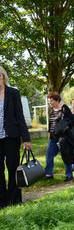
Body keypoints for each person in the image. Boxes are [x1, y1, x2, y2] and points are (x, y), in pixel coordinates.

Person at [0, 66, 31, 208]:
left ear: (3, 77)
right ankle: (2, 201)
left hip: (11, 136)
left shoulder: (13, 93)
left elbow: (19, 116)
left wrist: (26, 138)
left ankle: (14, 200)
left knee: (13, 168)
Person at [44, 92, 74, 182]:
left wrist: (66, 128)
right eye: (49, 101)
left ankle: (69, 174)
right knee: (49, 154)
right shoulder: (51, 109)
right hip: (53, 136)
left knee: (65, 154)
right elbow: (51, 122)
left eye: (51, 101)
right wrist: (49, 132)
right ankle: (48, 174)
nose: (50, 103)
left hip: (63, 136)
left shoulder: (64, 108)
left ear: (57, 100)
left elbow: (73, 121)